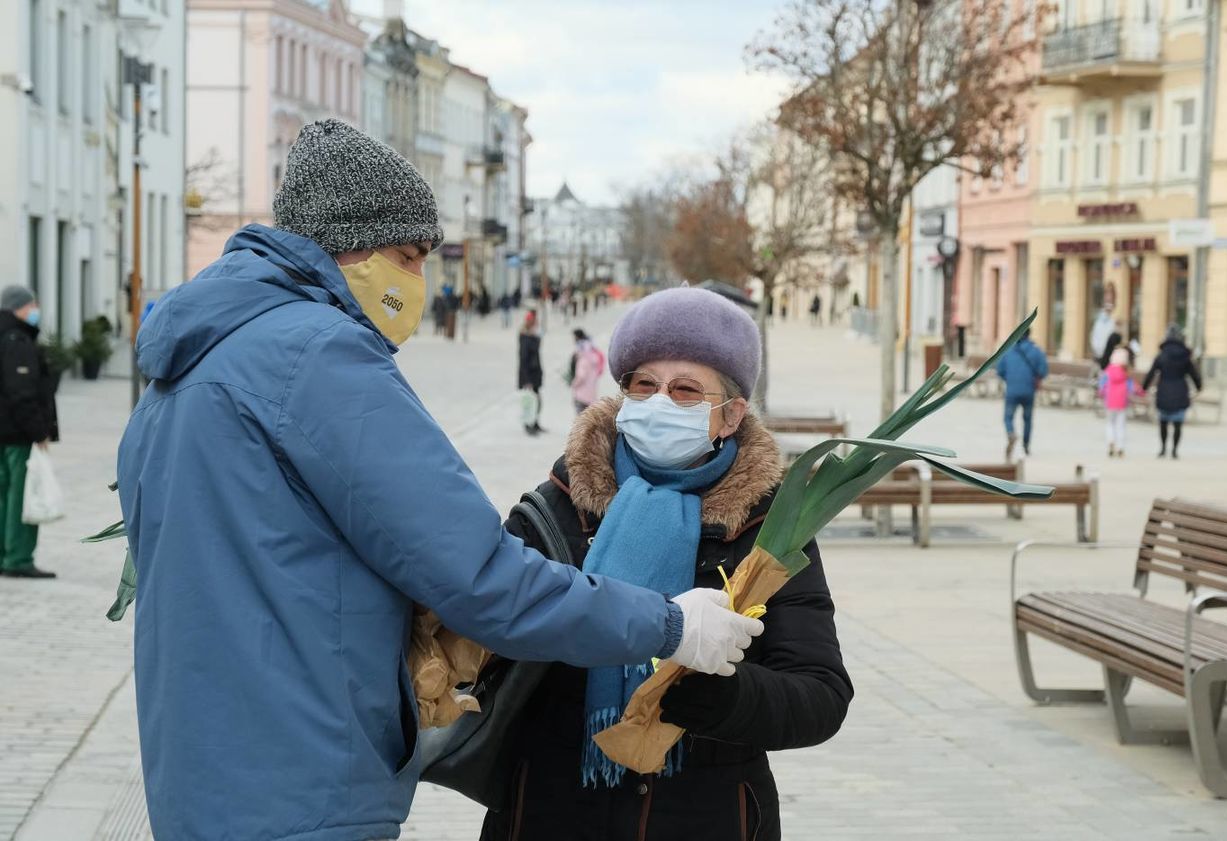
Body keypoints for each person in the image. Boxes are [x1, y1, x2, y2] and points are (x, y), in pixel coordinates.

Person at [114, 120, 762, 841]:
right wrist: (670, 623)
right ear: (346, 246)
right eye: (408, 256)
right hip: (304, 783)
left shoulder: (190, 363)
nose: (418, 282)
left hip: (200, 777)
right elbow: (481, 576)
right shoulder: (322, 357)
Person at [481, 287, 852, 841]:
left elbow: (821, 695)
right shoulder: (557, 506)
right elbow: (491, 632)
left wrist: (719, 696)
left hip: (708, 814)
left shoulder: (768, 529)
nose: (659, 403)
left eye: (685, 390)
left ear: (730, 415)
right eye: (644, 385)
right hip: (551, 809)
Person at [0, 286, 58, 579]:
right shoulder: (17, 340)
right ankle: (18, 558)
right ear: (18, 307)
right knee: (21, 496)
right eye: (32, 303)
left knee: (3, 496)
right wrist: (39, 432)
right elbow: (22, 393)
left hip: (4, 432)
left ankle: (4, 555)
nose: (36, 308)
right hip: (16, 434)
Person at [1143, 323, 1202, 459]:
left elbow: (1151, 373)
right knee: (1177, 424)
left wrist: (1144, 388)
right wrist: (1199, 387)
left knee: (1163, 423)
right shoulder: (1185, 356)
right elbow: (1194, 374)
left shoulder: (1162, 355)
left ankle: (1163, 449)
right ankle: (1174, 450)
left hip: (1164, 390)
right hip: (1180, 390)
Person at [995, 330, 1048, 459]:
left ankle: (1011, 433)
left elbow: (1000, 369)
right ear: (1029, 335)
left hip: (1012, 390)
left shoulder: (1008, 351)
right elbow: (1043, 370)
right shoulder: (1036, 351)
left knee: (1008, 417)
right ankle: (1026, 445)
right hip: (1029, 390)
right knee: (1027, 419)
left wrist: (1009, 379)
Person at [1098, 347, 1143, 458]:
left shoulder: (1108, 371)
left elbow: (1102, 386)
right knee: (1121, 425)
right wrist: (1141, 392)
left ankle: (1111, 441)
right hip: (1122, 402)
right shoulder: (1125, 373)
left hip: (1110, 401)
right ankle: (1120, 447)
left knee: (1110, 423)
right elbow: (1133, 388)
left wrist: (1102, 393)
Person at [569, 328, 605, 415]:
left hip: (581, 396)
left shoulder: (583, 360)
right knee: (588, 420)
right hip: (591, 395)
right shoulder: (594, 358)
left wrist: (573, 384)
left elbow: (581, 376)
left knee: (580, 421)